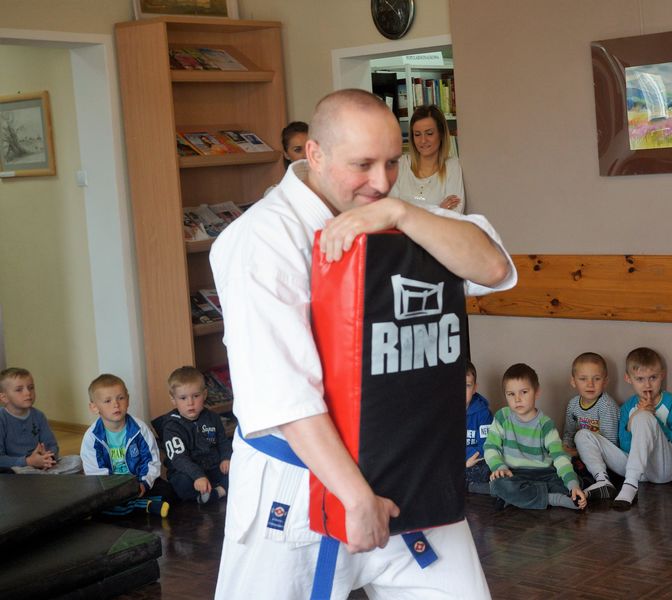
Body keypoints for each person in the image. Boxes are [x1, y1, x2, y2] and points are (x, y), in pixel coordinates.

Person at [210, 89, 515, 599]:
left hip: (405, 470)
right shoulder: (260, 239)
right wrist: (354, 496)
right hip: (299, 483)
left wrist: (401, 215)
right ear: (314, 154)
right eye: (363, 165)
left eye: (392, 162)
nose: (381, 180)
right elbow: (284, 392)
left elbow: (493, 267)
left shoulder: (393, 213)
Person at [575, 347, 672, 510]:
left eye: (653, 377)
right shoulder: (627, 407)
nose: (647, 385)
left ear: (662, 375)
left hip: (665, 469)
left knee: (644, 417)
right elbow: (625, 447)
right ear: (628, 378)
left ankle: (630, 485)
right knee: (582, 435)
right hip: (638, 470)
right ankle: (603, 481)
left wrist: (652, 419)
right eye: (640, 379)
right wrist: (633, 419)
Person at [483, 363, 587, 511]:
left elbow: (559, 456)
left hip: (543, 474)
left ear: (536, 392)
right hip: (514, 473)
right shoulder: (502, 417)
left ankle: (519, 497)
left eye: (524, 392)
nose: (517, 399)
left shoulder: (545, 424)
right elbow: (490, 447)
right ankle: (553, 499)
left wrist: (573, 485)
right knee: (497, 484)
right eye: (511, 394)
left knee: (575, 483)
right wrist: (499, 467)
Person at [80, 373, 170, 517]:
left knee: (169, 491)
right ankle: (141, 506)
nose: (116, 404)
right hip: (111, 488)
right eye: (107, 401)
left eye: (120, 398)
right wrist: (114, 491)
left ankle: (130, 506)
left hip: (137, 481)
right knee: (96, 503)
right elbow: (95, 473)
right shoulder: (92, 437)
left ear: (128, 400)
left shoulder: (140, 429)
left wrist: (143, 483)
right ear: (94, 407)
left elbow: (151, 461)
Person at [155, 366, 232, 504]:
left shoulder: (213, 418)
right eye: (183, 398)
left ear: (205, 394)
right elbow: (179, 459)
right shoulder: (171, 426)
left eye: (196, 396)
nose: (190, 403)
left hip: (212, 466)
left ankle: (218, 492)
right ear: (173, 399)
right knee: (181, 482)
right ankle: (204, 494)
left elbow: (223, 441)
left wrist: (226, 458)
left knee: (238, 469)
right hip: (187, 471)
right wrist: (198, 476)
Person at [0, 367, 81, 474]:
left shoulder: (38, 416)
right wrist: (28, 461)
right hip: (18, 466)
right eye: (19, 390)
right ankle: (44, 477)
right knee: (15, 472)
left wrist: (48, 458)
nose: (28, 393)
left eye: (31, 387)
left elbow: (52, 445)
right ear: (4, 397)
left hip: (41, 463)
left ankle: (44, 476)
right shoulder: (2, 418)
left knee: (77, 460)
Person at [389, 105, 464, 213]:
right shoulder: (401, 164)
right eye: (417, 134)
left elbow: (454, 215)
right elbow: (391, 213)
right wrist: (438, 210)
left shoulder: (452, 166)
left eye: (429, 133)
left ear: (441, 134)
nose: (423, 140)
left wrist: (407, 214)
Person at [563, 353, 619, 494]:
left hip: (609, 456)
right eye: (583, 379)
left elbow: (611, 442)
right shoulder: (573, 404)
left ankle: (602, 480)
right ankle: (581, 484)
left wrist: (577, 452)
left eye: (597, 379)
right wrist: (565, 449)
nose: (590, 384)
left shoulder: (606, 405)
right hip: (584, 454)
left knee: (582, 435)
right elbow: (569, 433)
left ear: (605, 381)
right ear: (573, 381)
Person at [465, 361, 492, 495]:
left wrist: (468, 459)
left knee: (487, 468)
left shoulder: (483, 413)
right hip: (457, 462)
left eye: (467, 385)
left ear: (474, 388)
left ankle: (470, 485)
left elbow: (486, 444)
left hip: (476, 461)